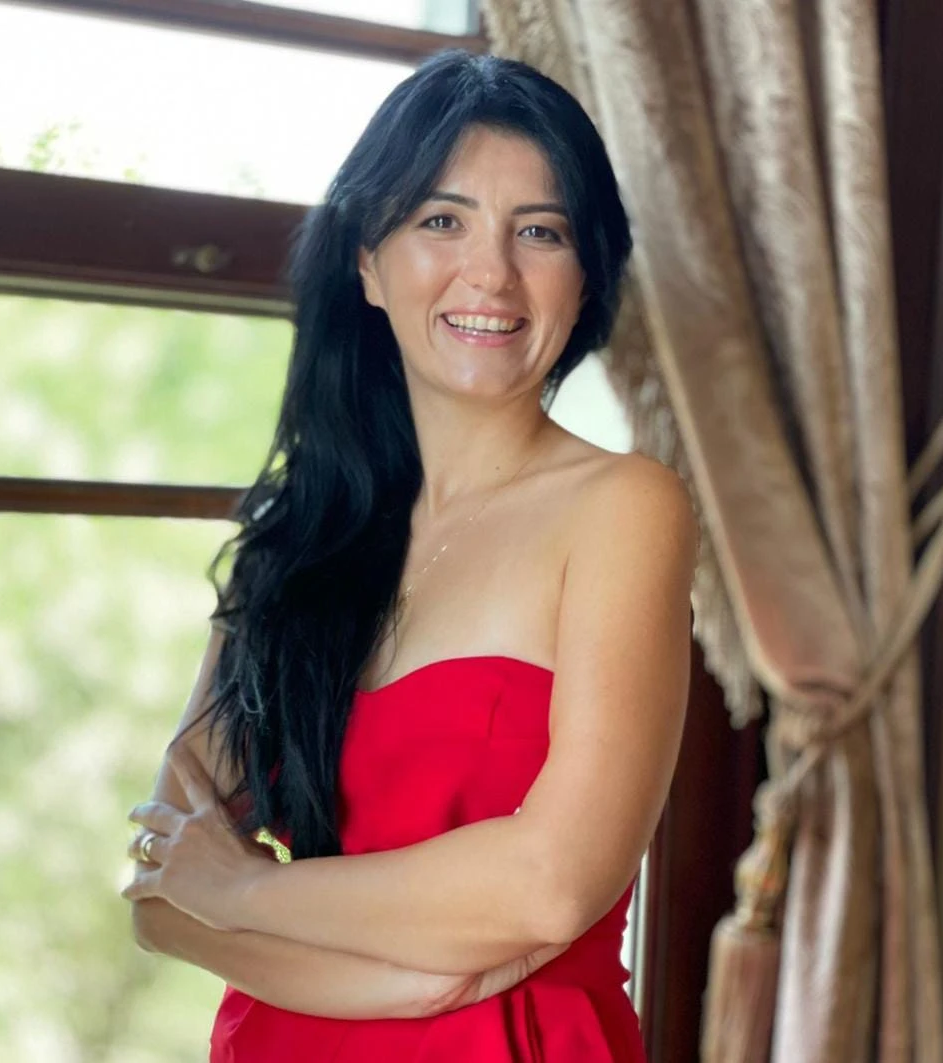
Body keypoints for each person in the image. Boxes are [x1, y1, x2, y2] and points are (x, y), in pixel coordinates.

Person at [122, 49, 695, 1061]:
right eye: (442, 220)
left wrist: (245, 891)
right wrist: (395, 986)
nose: (493, 273)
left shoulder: (625, 509)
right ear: (367, 263)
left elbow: (551, 883)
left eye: (541, 231)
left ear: (587, 274)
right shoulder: (295, 535)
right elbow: (159, 893)